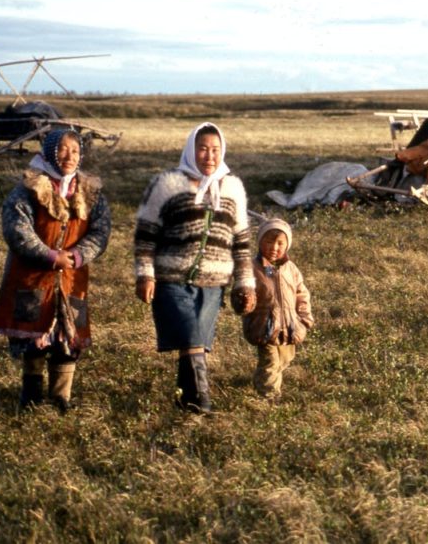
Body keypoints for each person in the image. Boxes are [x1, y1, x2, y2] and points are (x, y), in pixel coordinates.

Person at [134, 122, 256, 414]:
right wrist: (145, 274)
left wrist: (245, 282)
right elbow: (146, 234)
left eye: (215, 149)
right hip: (171, 278)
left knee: (198, 341)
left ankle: (184, 400)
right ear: (191, 149)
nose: (209, 156)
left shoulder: (232, 188)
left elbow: (241, 241)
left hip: (214, 281)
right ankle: (201, 401)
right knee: (191, 335)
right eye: (203, 148)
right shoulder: (167, 184)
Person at [0, 128, 112, 412]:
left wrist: (79, 255)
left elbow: (101, 231)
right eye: (63, 149)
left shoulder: (90, 192)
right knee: (34, 340)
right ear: (50, 151)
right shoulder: (29, 188)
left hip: (72, 278)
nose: (69, 156)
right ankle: (30, 398)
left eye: (75, 151)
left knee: (68, 339)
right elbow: (16, 228)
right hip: (32, 277)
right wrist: (48, 255)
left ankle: (60, 399)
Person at [242, 218, 314, 400]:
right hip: (264, 325)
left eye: (280, 243)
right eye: (269, 242)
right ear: (259, 243)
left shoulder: (291, 269)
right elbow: (242, 289)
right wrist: (243, 299)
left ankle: (262, 378)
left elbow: (301, 294)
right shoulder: (252, 268)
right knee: (270, 362)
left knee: (285, 359)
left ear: (287, 245)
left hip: (290, 325)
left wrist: (304, 316)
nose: (274, 247)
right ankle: (269, 396)